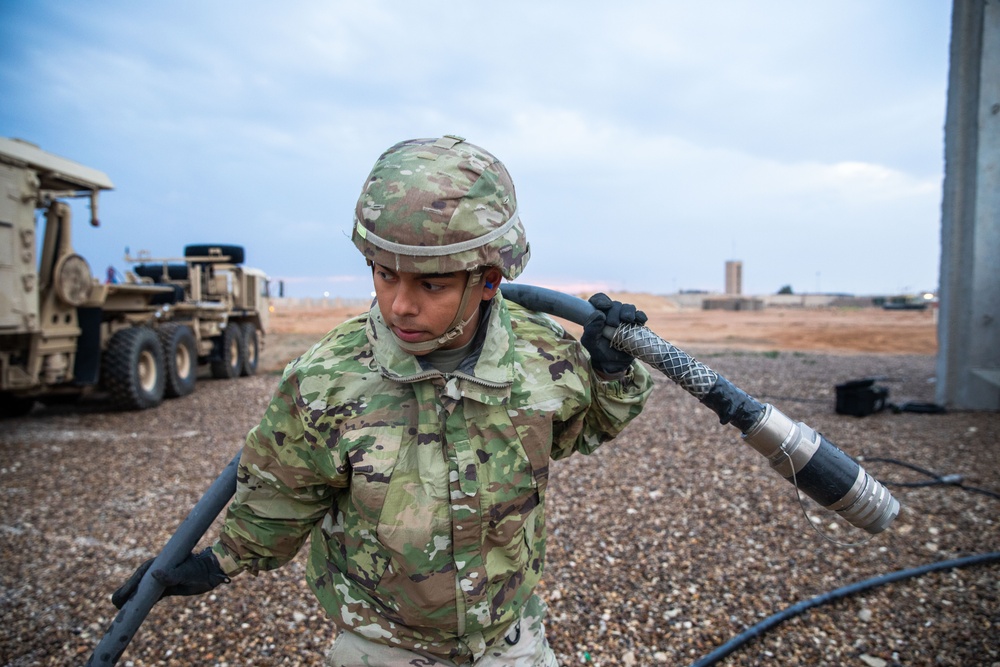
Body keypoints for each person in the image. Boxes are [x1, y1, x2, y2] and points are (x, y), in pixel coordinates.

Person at [112, 135, 654, 666]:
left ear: (489, 280)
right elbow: (285, 491)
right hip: (383, 642)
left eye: (431, 286)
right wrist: (217, 563)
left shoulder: (542, 355)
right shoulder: (329, 379)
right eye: (385, 274)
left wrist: (610, 372)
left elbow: (585, 428)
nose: (400, 305)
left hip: (508, 634)